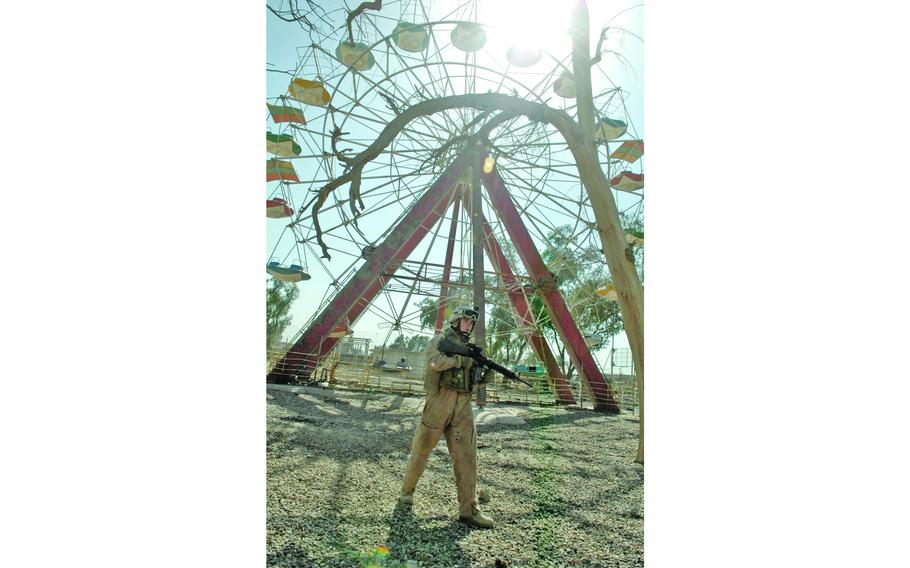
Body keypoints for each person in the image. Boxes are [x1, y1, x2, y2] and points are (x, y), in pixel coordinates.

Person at [398, 306, 495, 528]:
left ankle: (469, 509)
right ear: (455, 321)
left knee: (467, 455)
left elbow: (478, 379)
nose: (468, 326)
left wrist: (485, 372)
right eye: (465, 321)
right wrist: (459, 361)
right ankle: (406, 493)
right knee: (422, 448)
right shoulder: (439, 341)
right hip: (440, 400)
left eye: (471, 323)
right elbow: (435, 362)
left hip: (463, 403)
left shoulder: (472, 348)